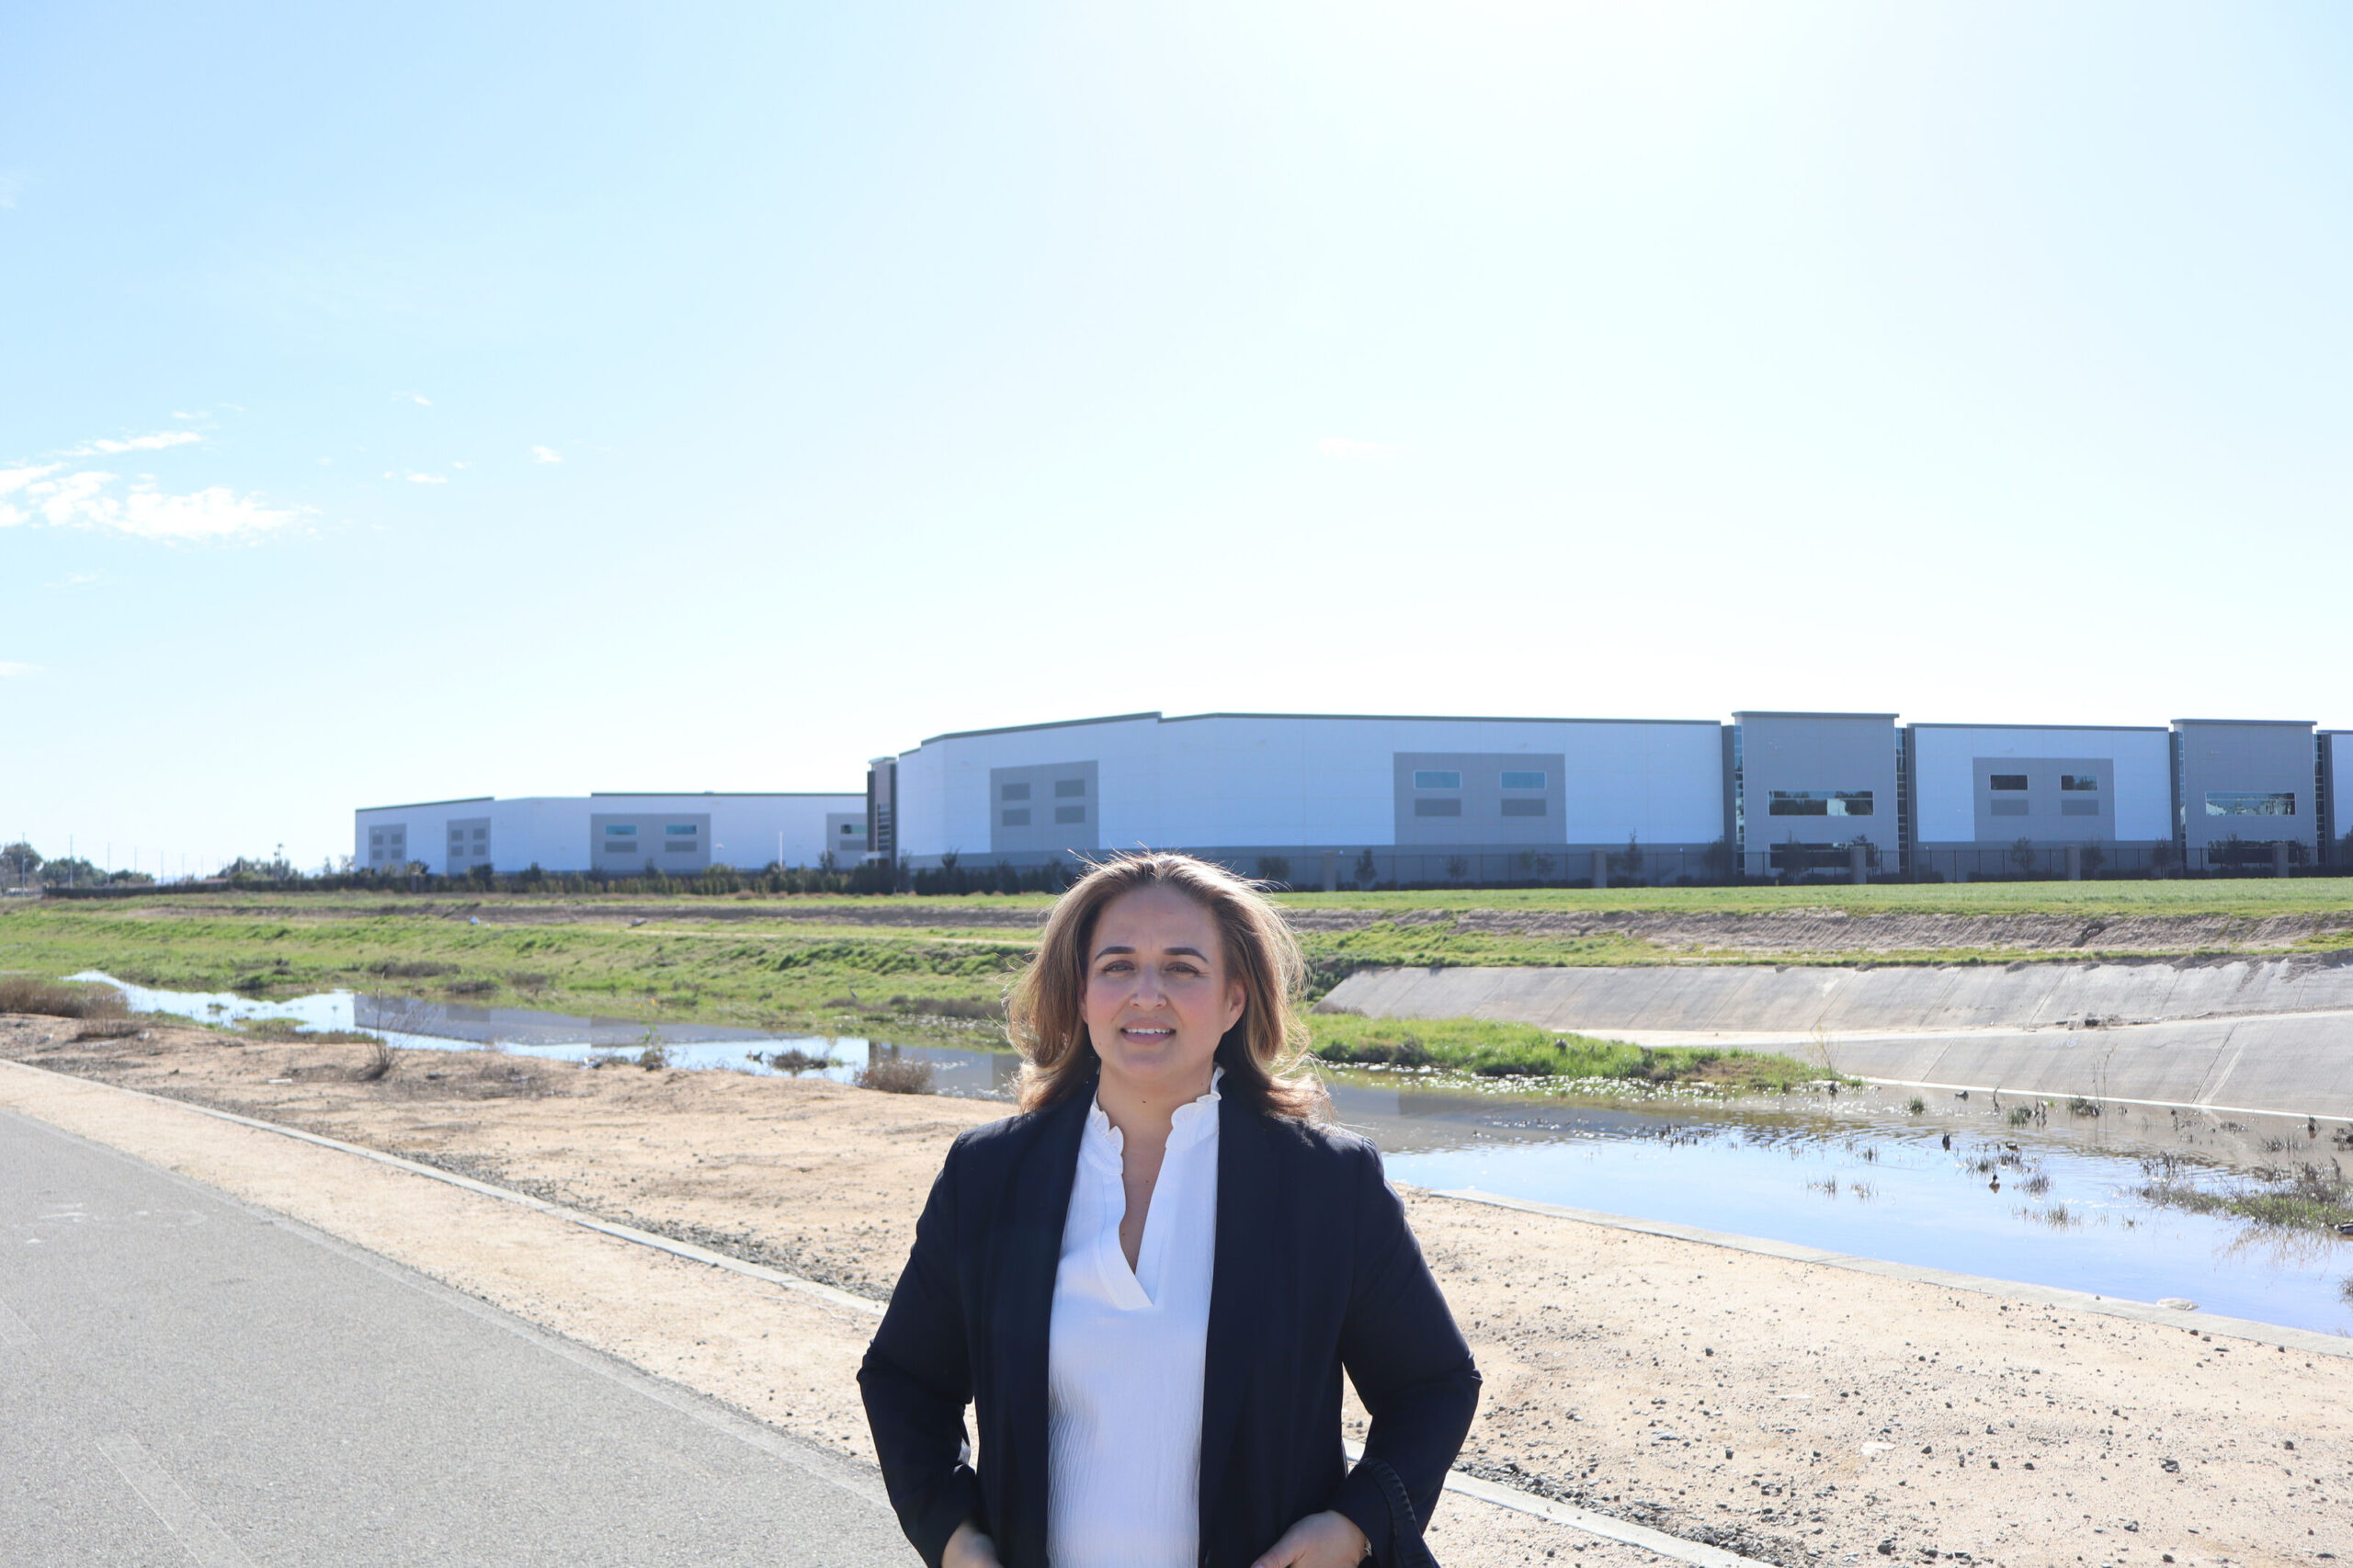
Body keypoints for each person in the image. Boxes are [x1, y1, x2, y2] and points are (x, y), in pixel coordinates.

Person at [859, 852, 1480, 1568]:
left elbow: (1433, 1384)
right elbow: (905, 1379)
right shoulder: (990, 1176)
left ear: (1234, 1000)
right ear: (1082, 994)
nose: (1145, 993)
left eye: (1183, 968)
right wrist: (952, 1537)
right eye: (1117, 966)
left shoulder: (1326, 1184)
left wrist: (1354, 1526)